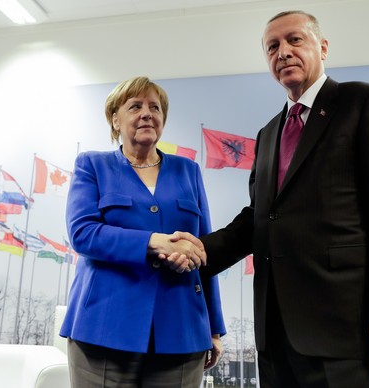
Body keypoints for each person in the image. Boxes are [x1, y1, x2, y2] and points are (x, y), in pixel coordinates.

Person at [169, 10, 369, 388]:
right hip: (276, 336)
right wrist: (199, 250)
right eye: (272, 46)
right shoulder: (268, 134)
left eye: (294, 40)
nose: (282, 52)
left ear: (323, 46)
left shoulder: (364, 102)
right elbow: (260, 218)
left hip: (348, 334)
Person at [60, 76, 226, 388]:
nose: (147, 113)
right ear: (115, 118)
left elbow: (204, 251)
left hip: (181, 330)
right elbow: (83, 234)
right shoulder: (92, 165)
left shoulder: (188, 170)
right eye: (135, 106)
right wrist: (154, 242)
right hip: (103, 328)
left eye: (155, 107)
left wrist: (214, 328)